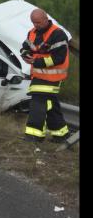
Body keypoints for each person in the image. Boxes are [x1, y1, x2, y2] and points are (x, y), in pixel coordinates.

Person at [20, 8, 71, 143]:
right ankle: (61, 135)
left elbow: (58, 58)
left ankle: (34, 136)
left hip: (53, 77)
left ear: (45, 18)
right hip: (38, 75)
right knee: (51, 105)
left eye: (38, 22)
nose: (36, 25)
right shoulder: (32, 33)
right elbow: (25, 46)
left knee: (37, 102)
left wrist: (36, 61)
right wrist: (25, 53)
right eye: (33, 22)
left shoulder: (58, 34)